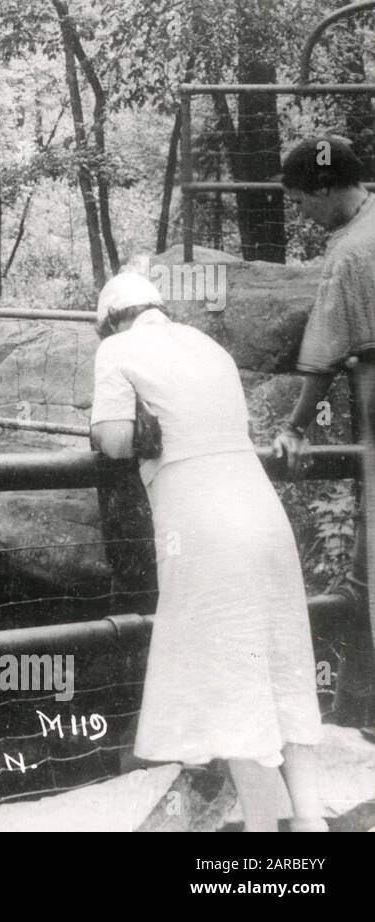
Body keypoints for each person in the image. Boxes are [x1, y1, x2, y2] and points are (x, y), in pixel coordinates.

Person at [91, 271, 326, 832]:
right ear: (156, 306)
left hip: (202, 525)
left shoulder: (118, 350)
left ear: (108, 322)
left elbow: (116, 440)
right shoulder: (207, 345)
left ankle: (266, 844)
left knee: (231, 673)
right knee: (282, 663)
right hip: (261, 512)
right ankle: (311, 820)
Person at [272, 134, 375, 731]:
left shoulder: (350, 253)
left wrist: (294, 424)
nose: (301, 215)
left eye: (301, 201)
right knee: (365, 573)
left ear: (326, 188)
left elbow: (324, 352)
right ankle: (356, 712)